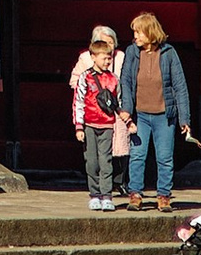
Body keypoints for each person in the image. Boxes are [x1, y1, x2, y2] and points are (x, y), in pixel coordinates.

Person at [118, 14, 193, 214]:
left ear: (150, 32)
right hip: (140, 114)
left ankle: (164, 196)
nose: (135, 36)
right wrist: (126, 108)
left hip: (164, 115)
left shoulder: (169, 53)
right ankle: (135, 194)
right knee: (137, 156)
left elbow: (180, 86)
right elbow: (125, 81)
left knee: (165, 157)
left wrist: (184, 118)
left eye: (138, 32)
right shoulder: (132, 52)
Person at [70, 26, 123, 208]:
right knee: (91, 161)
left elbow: (118, 102)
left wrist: (127, 120)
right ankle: (94, 194)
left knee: (106, 161)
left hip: (107, 124)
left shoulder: (114, 78)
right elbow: (78, 101)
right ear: (93, 57)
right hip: (89, 124)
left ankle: (107, 195)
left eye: (110, 58)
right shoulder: (85, 77)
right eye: (104, 58)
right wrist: (78, 126)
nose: (108, 61)